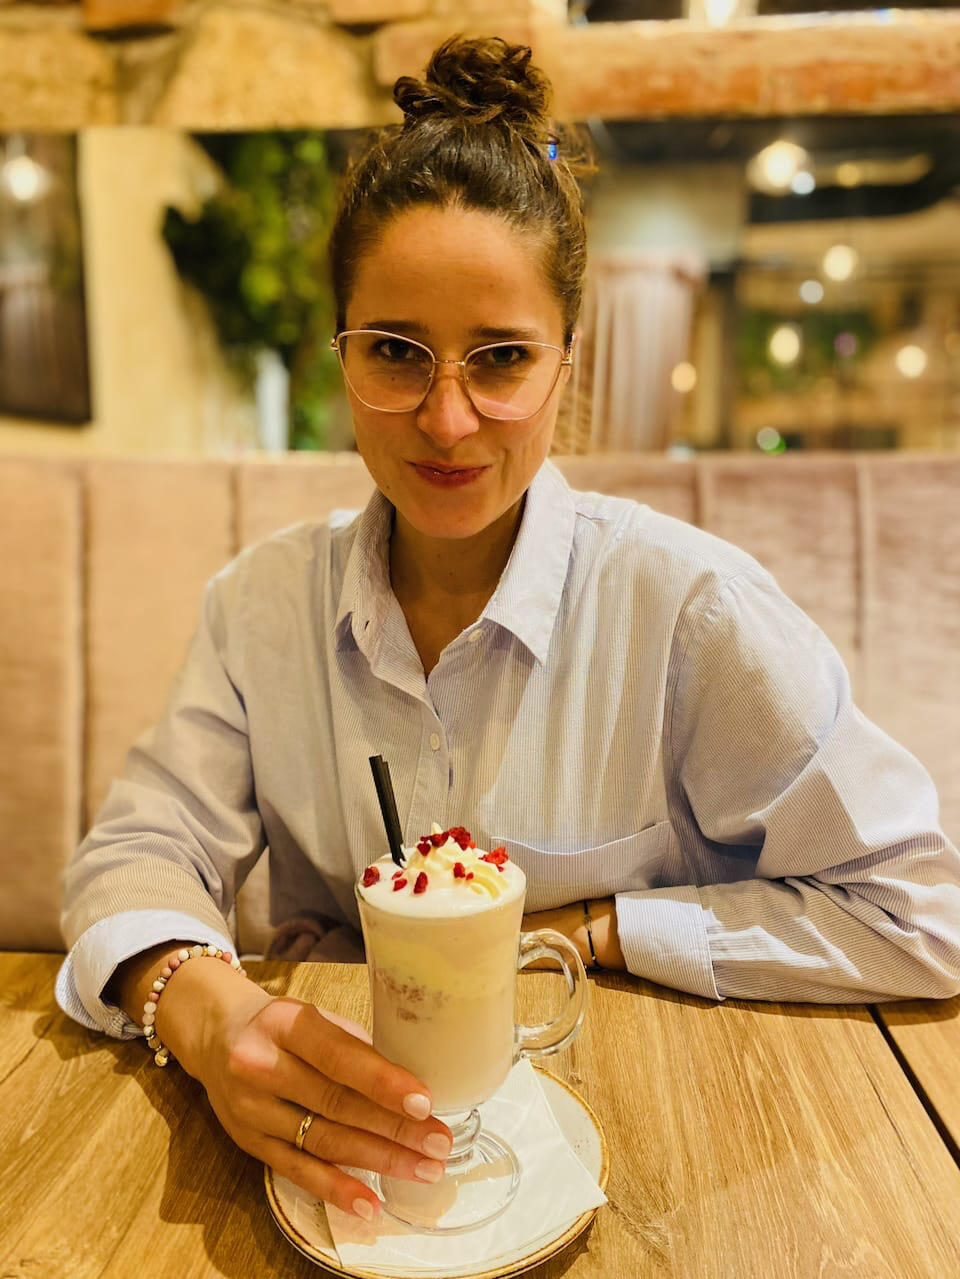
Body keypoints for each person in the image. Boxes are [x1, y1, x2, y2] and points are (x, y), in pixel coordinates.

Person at [56, 35, 960, 1222]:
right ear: (341, 352)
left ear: (565, 365)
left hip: (661, 1153)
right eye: (396, 352)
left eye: (501, 360)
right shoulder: (260, 609)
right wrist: (200, 1005)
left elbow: (920, 911)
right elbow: (134, 849)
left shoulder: (687, 610)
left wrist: (605, 929)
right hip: (342, 1164)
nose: (447, 419)